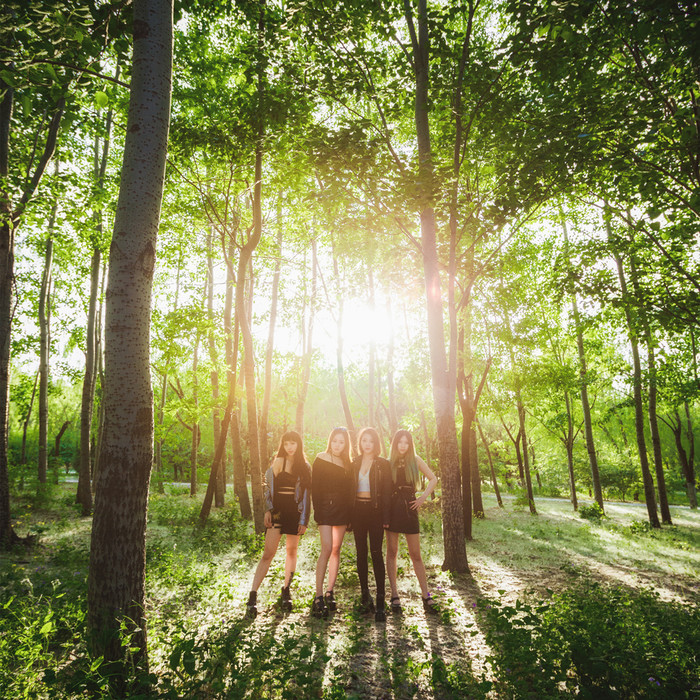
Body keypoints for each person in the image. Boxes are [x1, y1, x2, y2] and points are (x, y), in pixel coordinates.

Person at [246, 431, 311, 618]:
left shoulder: (304, 466)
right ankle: (253, 595)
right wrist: (268, 509)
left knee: (291, 551)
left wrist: (304, 520)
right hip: (277, 512)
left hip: (294, 512)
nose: (290, 447)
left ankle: (286, 590)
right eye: (286, 443)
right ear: (282, 444)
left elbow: (307, 496)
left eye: (293, 443)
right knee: (268, 553)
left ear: (299, 445)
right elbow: (267, 488)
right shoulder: (277, 462)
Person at [385, 429, 439, 614]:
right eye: (399, 442)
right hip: (392, 507)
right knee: (392, 551)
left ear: (410, 444)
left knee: (415, 554)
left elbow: (433, 479)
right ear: (395, 443)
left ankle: (426, 595)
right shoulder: (388, 462)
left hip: (410, 507)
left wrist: (423, 498)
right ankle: (394, 595)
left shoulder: (415, 460)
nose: (403, 445)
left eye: (406, 442)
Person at [311, 426, 354, 618]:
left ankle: (330, 591)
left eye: (341, 442)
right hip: (325, 508)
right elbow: (315, 488)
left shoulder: (347, 464)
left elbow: (349, 492)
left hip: (342, 510)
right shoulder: (320, 458)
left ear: (346, 445)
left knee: (336, 549)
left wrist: (351, 515)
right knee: (326, 548)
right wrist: (318, 512)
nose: (337, 445)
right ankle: (318, 595)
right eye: (335, 441)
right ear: (330, 441)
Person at [351, 427, 392, 622]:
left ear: (376, 444)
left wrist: (385, 517)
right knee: (361, 553)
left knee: (376, 553)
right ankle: (365, 596)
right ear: (360, 443)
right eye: (364, 440)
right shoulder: (354, 462)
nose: (367, 444)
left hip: (375, 512)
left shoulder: (383, 464)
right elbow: (348, 490)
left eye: (371, 441)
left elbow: (386, 492)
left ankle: (381, 600)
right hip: (358, 511)